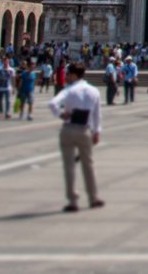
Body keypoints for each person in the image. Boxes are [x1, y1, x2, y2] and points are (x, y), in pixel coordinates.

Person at [48, 62, 104, 212]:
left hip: (68, 129)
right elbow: (97, 114)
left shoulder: (69, 90)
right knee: (88, 165)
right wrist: (97, 131)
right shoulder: (94, 91)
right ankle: (93, 198)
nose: (66, 77)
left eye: (68, 74)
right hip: (85, 130)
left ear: (73, 75)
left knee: (69, 166)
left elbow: (53, 104)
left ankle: (73, 201)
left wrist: (61, 114)